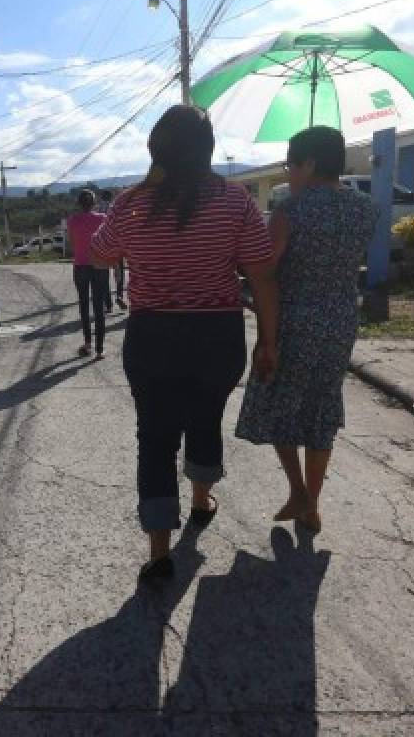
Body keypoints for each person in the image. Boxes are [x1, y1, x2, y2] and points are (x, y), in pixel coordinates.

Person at [91, 105, 279, 581]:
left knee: (154, 437)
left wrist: (143, 191)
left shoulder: (130, 203)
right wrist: (269, 341)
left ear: (155, 151)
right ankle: (200, 499)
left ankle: (159, 550)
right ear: (207, 149)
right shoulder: (236, 202)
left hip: (152, 334)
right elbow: (261, 276)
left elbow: (100, 255)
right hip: (217, 333)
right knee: (206, 417)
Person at [235, 126, 378, 534]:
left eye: (290, 165)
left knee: (280, 404)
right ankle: (311, 506)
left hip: (295, 322)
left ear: (310, 164)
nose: (287, 174)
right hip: (340, 319)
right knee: (322, 408)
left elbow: (264, 268)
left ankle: (300, 492)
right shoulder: (365, 209)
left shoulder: (289, 213)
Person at [66, 189, 111, 358]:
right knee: (99, 307)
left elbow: (72, 243)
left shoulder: (72, 221)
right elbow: (107, 240)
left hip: (80, 266)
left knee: (84, 306)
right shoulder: (102, 219)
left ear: (79, 203)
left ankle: (87, 344)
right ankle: (100, 350)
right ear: (94, 203)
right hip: (99, 265)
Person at [98, 188, 128, 313]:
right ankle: (119, 295)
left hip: (103, 246)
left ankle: (108, 303)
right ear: (111, 198)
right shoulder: (115, 209)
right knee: (119, 273)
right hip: (116, 246)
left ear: (101, 198)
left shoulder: (98, 211)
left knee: (103, 275)